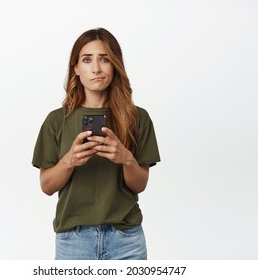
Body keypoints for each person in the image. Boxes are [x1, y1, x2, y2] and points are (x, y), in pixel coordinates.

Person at [32, 28, 160, 260]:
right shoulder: (56, 121)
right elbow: (47, 186)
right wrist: (69, 161)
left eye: (105, 59)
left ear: (115, 65)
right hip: (74, 241)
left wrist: (125, 158)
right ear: (76, 68)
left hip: (126, 240)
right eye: (87, 59)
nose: (96, 68)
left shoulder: (137, 118)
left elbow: (140, 184)